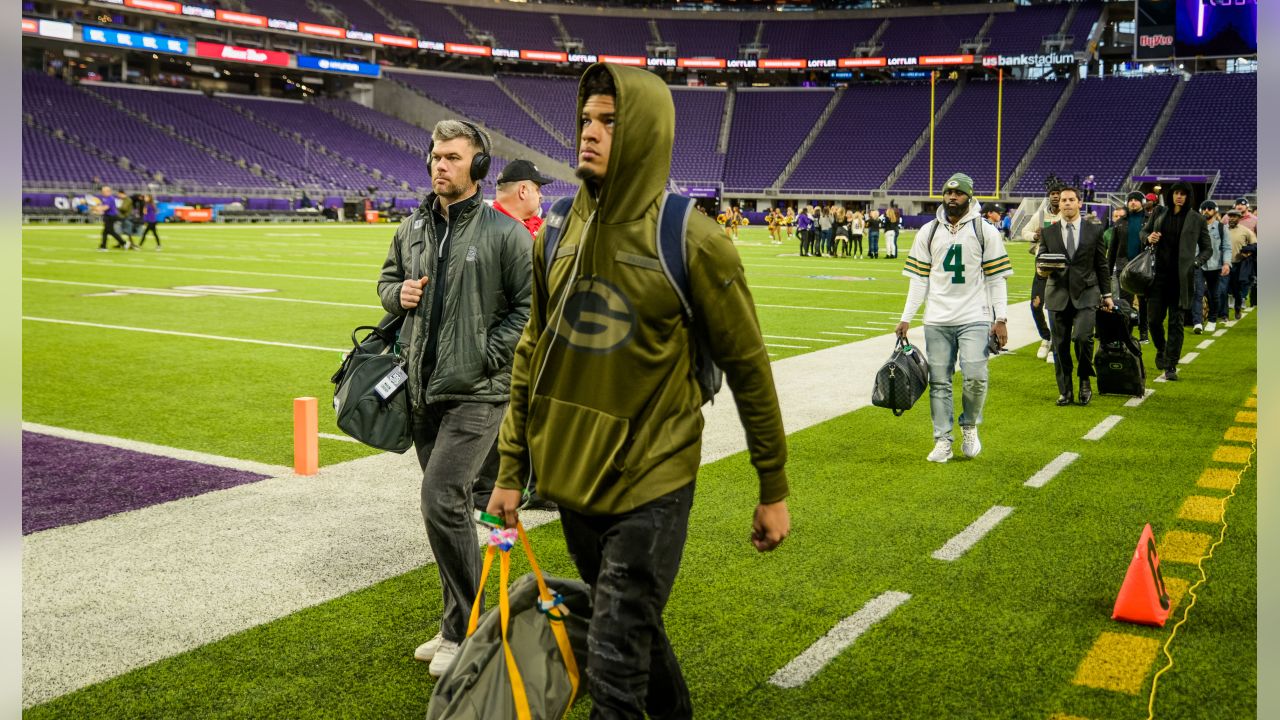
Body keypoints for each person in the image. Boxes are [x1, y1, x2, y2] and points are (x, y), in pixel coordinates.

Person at [487, 63, 790, 720]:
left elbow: (750, 368)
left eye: (610, 122)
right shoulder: (558, 234)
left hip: (653, 477)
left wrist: (773, 486)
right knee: (635, 636)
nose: (590, 133)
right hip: (573, 475)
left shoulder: (695, 239)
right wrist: (511, 470)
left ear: (645, 133)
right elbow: (531, 352)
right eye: (587, 120)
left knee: (613, 670)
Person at [376, 119, 532, 677]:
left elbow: (527, 307)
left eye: (452, 158)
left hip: (479, 392)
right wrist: (401, 293)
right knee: (451, 510)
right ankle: (455, 624)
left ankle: (467, 630)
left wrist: (489, 353)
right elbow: (386, 283)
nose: (440, 165)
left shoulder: (506, 232)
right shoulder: (411, 228)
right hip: (422, 389)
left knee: (441, 499)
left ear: (478, 167)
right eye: (435, 156)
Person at [896, 173, 1012, 463]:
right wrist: (906, 317)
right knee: (939, 382)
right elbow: (918, 280)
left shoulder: (986, 231)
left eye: (958, 193)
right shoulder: (929, 231)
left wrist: (1002, 319)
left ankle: (970, 425)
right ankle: (943, 439)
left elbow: (997, 279)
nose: (952, 198)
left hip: (974, 316)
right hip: (936, 319)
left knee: (975, 378)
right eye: (948, 192)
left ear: (969, 197)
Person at [1036, 187, 1113, 406]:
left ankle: (1085, 380)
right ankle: (1065, 390)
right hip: (1058, 293)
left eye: (1071, 199)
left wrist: (1107, 294)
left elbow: (1101, 264)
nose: (1067, 203)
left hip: (1087, 292)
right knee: (1059, 346)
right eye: (1063, 200)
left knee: (1082, 338)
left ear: (1080, 203)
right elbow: (1040, 259)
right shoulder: (1048, 232)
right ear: (1058, 205)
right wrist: (1041, 268)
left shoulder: (1094, 230)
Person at [1140, 181, 1211, 381]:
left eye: (1183, 194)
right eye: (1176, 193)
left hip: (1181, 279)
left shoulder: (1196, 219)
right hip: (1157, 276)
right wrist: (1149, 237)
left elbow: (1207, 248)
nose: (1179, 196)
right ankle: (1161, 349)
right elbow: (1143, 233)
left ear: (1189, 197)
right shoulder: (1159, 213)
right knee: (1153, 320)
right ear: (1171, 195)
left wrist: (1196, 262)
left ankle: (1171, 364)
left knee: (1176, 323)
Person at [1021, 185, 1062, 362]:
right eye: (1052, 194)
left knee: (1056, 308)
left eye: (1058, 194)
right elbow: (1025, 232)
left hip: (1062, 269)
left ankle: (1055, 344)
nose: (1055, 197)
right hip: (1042, 267)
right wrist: (1034, 237)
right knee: (1036, 305)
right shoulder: (1041, 215)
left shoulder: (1067, 215)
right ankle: (1046, 337)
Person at [1107, 191, 1152, 342]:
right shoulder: (1120, 222)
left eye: (1136, 200)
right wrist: (1108, 270)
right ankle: (1127, 332)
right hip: (1124, 267)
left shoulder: (1150, 220)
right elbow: (1112, 249)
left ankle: (1144, 332)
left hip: (1143, 268)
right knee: (1125, 303)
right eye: (1130, 200)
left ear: (1142, 202)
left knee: (1144, 302)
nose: (1133, 202)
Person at [1193, 200, 1231, 334]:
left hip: (1215, 265)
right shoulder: (1194, 227)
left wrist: (1226, 263)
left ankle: (1212, 320)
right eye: (1204, 208)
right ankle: (1197, 322)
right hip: (1198, 265)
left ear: (1215, 211)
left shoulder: (1221, 228)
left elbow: (1226, 247)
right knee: (1197, 293)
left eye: (1209, 208)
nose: (1206, 211)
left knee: (1214, 294)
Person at [492, 159, 553, 238]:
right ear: (523, 191)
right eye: (537, 190)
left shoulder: (533, 223)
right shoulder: (495, 232)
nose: (541, 196)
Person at [1224, 208, 1257, 321]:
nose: (1232, 218)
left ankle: (1237, 308)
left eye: (1234, 216)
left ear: (1239, 218)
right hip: (1224, 264)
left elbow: (1255, 245)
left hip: (1238, 265)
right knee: (1223, 290)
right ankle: (1224, 314)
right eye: (1230, 216)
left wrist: (1248, 251)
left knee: (1236, 290)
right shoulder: (1222, 229)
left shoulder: (1246, 231)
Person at [93, 185, 129, 251]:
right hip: (107, 216)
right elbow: (103, 209)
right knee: (106, 232)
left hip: (111, 217)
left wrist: (96, 209)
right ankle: (104, 246)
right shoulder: (104, 198)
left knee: (110, 231)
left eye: (104, 191)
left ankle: (123, 243)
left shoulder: (110, 198)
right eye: (102, 191)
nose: (102, 192)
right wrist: (97, 211)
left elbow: (106, 207)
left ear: (108, 191)